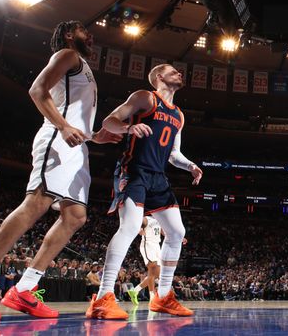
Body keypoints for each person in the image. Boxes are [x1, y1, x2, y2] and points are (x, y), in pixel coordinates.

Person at [0, 21, 120, 320]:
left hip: (77, 145)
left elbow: (71, 111)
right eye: (83, 29)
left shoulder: (82, 66)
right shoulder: (67, 55)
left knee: (76, 216)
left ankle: (25, 288)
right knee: (36, 203)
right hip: (57, 138)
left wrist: (95, 135)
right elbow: (37, 90)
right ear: (69, 35)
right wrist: (63, 125)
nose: (90, 34)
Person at [86, 64, 203, 319]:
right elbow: (109, 121)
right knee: (129, 227)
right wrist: (129, 128)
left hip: (158, 177)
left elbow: (173, 154)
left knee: (176, 232)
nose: (180, 73)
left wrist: (190, 165)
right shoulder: (145, 97)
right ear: (159, 77)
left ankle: (162, 297)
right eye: (174, 71)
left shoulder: (179, 115)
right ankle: (103, 297)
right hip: (134, 170)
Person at [128, 215, 163, 304]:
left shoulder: (159, 219)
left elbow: (163, 231)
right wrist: (139, 228)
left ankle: (135, 290)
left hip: (157, 245)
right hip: (148, 244)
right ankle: (152, 297)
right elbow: (136, 220)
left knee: (157, 274)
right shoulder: (147, 218)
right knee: (152, 269)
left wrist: (178, 238)